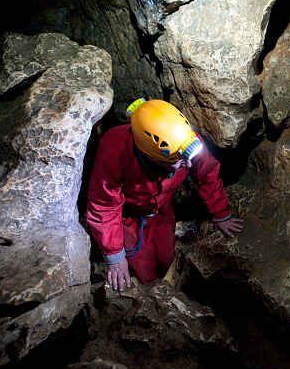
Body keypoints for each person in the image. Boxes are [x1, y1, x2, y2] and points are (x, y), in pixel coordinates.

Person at [87, 99, 243, 291]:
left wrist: (221, 214)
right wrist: (114, 257)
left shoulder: (186, 142)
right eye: (179, 161)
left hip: (162, 210)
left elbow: (207, 173)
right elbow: (104, 205)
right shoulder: (114, 150)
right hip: (128, 219)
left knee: (166, 260)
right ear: (153, 156)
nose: (190, 164)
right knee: (144, 275)